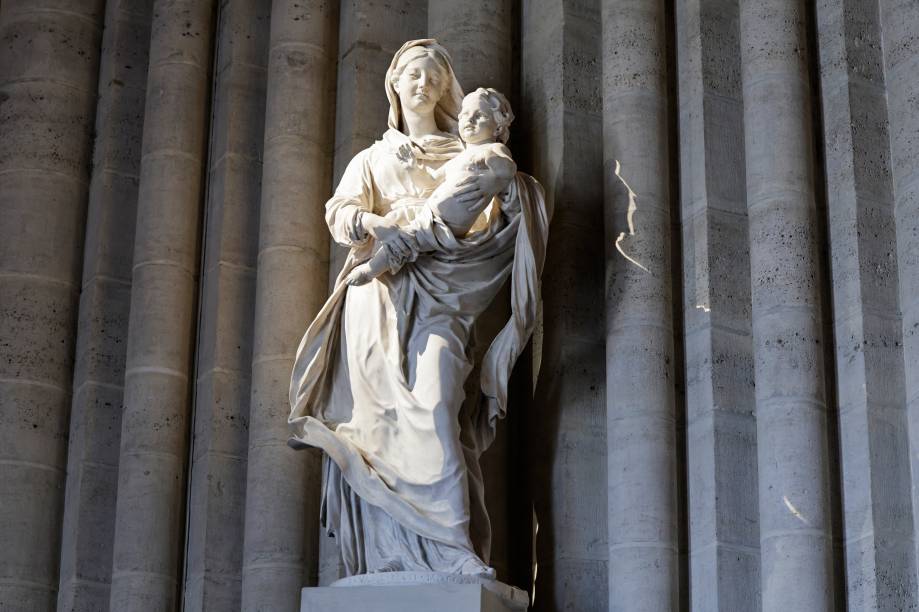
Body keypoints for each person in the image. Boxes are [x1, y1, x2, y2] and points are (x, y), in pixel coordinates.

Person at [287, 39, 550, 578]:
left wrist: (512, 195)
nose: (422, 84)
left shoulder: (467, 153)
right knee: (375, 424)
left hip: (441, 293)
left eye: (433, 75)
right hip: (375, 298)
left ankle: (451, 544)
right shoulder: (372, 158)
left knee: (434, 404)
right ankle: (390, 555)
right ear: (394, 84)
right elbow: (340, 214)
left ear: (446, 88)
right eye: (411, 74)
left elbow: (495, 214)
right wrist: (374, 224)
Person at [344, 87, 517, 287]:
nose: (470, 120)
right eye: (466, 114)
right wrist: (413, 168)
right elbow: (432, 178)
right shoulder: (460, 157)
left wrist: (491, 181)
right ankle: (374, 267)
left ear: (497, 128)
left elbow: (507, 169)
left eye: (479, 116)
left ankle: (371, 269)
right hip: (432, 213)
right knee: (407, 238)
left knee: (408, 241)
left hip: (450, 222)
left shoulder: (491, 150)